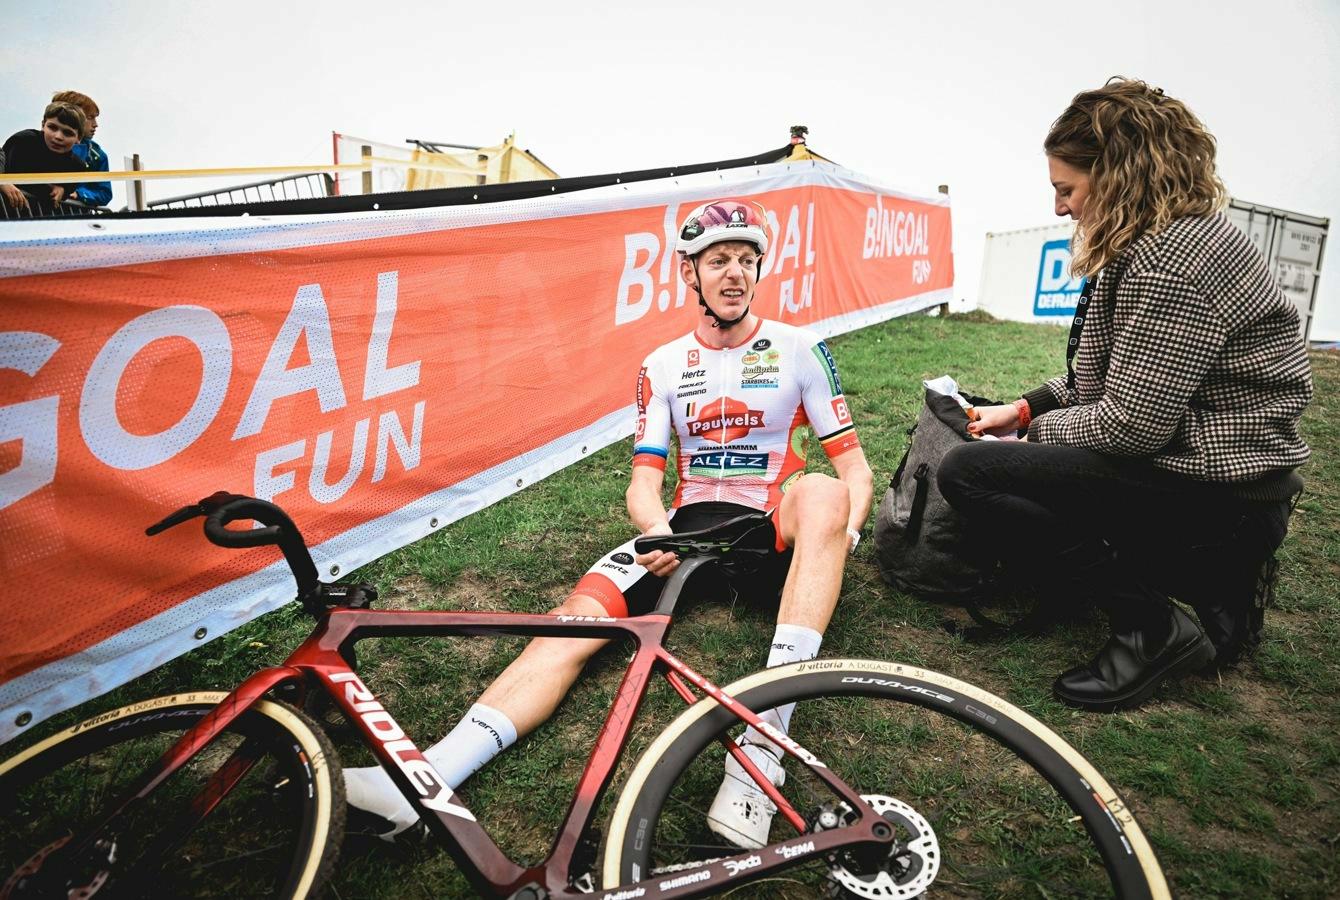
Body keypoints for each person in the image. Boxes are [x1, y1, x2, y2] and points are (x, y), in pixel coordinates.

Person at [344, 198, 874, 847]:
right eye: (718, 260)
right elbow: (644, 483)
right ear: (689, 273)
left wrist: (839, 537)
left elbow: (855, 472)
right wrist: (658, 533)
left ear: (758, 269)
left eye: (745, 259)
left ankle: (762, 756)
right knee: (570, 625)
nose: (733, 273)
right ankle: (423, 780)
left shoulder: (799, 348)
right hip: (685, 532)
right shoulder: (662, 364)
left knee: (822, 492)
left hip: (771, 527)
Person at [937, 78, 1312, 713]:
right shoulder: (1173, 238)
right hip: (1228, 485)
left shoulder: (1172, 261)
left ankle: (1150, 625)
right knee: (1013, 459)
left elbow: (1133, 427)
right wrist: (1025, 406)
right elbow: (1120, 379)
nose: (1060, 208)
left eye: (1068, 189)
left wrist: (1028, 439)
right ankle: (1217, 594)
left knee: (971, 472)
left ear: (1118, 176)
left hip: (1220, 499)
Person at [0, 101, 88, 215]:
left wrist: (63, 189)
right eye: (52, 127)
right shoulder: (24, 141)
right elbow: (20, 177)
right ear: (43, 125)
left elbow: (69, 188)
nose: (58, 136)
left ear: (79, 138)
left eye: (67, 133)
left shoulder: (77, 165)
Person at [51, 90, 111, 208]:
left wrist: (79, 194)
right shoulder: (36, 142)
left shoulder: (97, 155)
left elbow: (105, 193)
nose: (95, 124)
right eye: (90, 117)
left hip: (76, 218)